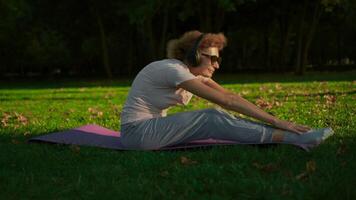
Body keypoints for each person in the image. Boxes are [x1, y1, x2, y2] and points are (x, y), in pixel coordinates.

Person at [120, 30, 334, 150]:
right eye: (212, 58)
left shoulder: (193, 75)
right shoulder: (173, 69)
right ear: (194, 55)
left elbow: (230, 97)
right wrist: (278, 122)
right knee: (210, 118)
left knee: (215, 116)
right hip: (137, 133)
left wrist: (274, 120)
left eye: (218, 58)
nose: (217, 64)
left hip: (151, 130)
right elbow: (226, 103)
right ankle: (295, 140)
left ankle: (286, 136)